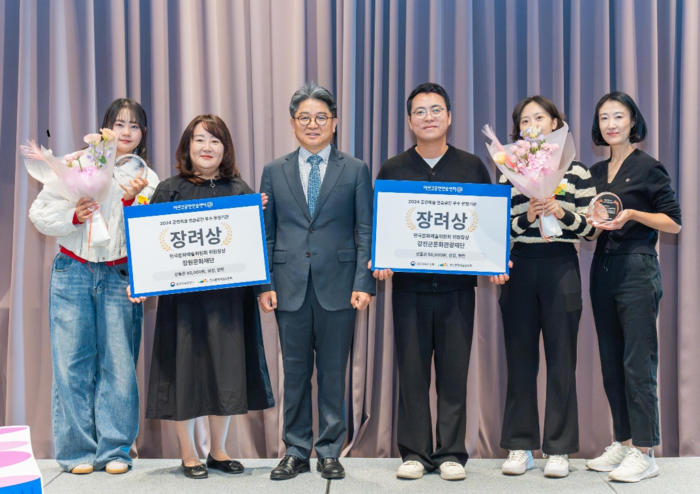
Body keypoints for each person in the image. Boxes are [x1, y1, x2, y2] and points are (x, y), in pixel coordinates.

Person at [28, 98, 158, 475]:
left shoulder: (148, 177)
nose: (126, 132)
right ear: (105, 129)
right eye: (119, 124)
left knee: (119, 364)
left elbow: (151, 234)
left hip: (120, 276)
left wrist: (133, 199)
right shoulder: (77, 164)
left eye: (134, 125)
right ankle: (76, 452)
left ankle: (115, 450)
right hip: (73, 270)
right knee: (71, 362)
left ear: (143, 133)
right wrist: (74, 214)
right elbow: (39, 213)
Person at [371, 82, 491, 481]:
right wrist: (381, 259)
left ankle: (451, 453)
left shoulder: (472, 167)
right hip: (409, 290)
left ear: (450, 117)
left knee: (454, 374)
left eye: (436, 110)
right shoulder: (393, 169)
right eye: (420, 111)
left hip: (457, 290)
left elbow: (486, 227)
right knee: (412, 373)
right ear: (409, 121)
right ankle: (415, 453)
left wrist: (494, 258)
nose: (428, 117)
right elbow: (382, 226)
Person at [144, 114, 275, 479]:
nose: (207, 147)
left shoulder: (241, 191)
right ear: (187, 147)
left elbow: (256, 246)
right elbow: (152, 245)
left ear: (225, 148)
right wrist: (141, 281)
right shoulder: (169, 190)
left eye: (215, 141)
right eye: (199, 140)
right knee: (184, 371)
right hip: (183, 302)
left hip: (229, 300)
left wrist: (263, 288)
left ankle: (218, 451)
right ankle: (189, 454)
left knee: (226, 372)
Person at [257, 82, 374, 480]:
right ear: (292, 123)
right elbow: (265, 232)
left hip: (340, 286)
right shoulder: (273, 170)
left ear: (334, 122)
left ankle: (329, 450)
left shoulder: (355, 169)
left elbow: (365, 230)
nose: (313, 124)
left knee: (333, 371)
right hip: (287, 286)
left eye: (321, 117)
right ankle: (294, 450)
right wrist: (264, 284)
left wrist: (364, 282)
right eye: (304, 117)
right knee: (294, 374)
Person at [489, 96, 596, 478]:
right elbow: (498, 227)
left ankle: (559, 449)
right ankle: (520, 446)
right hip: (520, 267)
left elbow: (591, 229)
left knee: (562, 359)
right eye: (524, 120)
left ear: (555, 124)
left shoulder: (577, 171)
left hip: (561, 267)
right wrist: (527, 216)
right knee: (520, 359)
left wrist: (560, 211)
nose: (532, 124)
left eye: (539, 117)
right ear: (518, 131)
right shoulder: (509, 171)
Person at [585, 92, 681, 482]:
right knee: (611, 363)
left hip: (638, 269)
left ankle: (645, 451)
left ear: (632, 122)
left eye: (618, 116)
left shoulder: (649, 168)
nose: (611, 124)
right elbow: (590, 232)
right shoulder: (593, 173)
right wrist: (586, 224)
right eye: (604, 117)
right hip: (602, 270)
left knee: (637, 362)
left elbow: (674, 222)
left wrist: (632, 215)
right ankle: (623, 443)